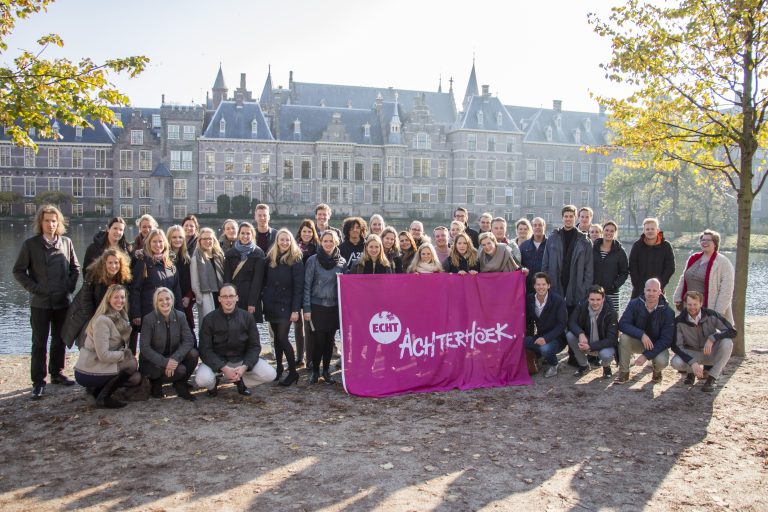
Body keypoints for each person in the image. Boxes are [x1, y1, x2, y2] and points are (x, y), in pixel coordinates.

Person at [14, 204, 81, 399]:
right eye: (47, 221)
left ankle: (57, 373)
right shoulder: (30, 245)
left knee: (59, 340)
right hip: (40, 303)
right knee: (39, 343)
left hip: (62, 301)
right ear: (40, 222)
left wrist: (69, 287)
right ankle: (38, 381)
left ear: (58, 223)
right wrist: (36, 289)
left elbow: (75, 268)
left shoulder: (66, 243)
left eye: (54, 221)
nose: (51, 224)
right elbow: (18, 271)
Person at [196, 284, 277, 396]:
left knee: (271, 374)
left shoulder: (247, 317)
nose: (228, 300)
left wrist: (245, 366)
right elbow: (205, 349)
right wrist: (223, 368)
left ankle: (242, 381)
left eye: (231, 296)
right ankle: (213, 384)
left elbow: (255, 346)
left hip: (241, 359)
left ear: (237, 298)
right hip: (217, 360)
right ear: (219, 298)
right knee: (202, 380)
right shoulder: (209, 319)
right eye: (224, 296)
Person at [74, 284, 140, 408]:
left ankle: (97, 392)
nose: (120, 301)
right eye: (116, 297)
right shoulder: (102, 321)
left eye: (122, 297)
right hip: (89, 368)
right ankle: (103, 398)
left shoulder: (121, 317)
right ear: (108, 299)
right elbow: (103, 355)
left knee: (135, 378)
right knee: (131, 364)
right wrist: (123, 354)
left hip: (103, 365)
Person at [62, 249, 132, 350]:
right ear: (104, 263)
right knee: (88, 344)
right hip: (90, 314)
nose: (113, 266)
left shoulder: (123, 278)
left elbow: (123, 301)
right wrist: (96, 321)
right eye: (110, 263)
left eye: (116, 263)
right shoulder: (93, 275)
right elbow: (86, 301)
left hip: (112, 315)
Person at [139, 287, 198, 401]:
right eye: (160, 300)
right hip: (153, 362)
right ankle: (156, 383)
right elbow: (144, 348)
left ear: (172, 300)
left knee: (193, 354)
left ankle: (180, 384)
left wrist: (175, 359)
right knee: (174, 370)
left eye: (167, 299)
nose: (165, 302)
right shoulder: (148, 319)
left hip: (173, 357)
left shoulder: (180, 316)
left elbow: (189, 340)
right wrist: (165, 362)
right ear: (156, 302)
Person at [263, 229, 305, 386]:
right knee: (276, 339)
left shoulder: (296, 259)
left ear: (291, 241)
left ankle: (293, 372)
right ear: (277, 241)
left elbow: (298, 287)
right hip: (271, 303)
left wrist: (295, 310)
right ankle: (279, 368)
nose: (285, 242)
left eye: (288, 240)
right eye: (282, 239)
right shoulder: (270, 258)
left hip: (286, 305)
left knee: (282, 338)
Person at [671, 291, 736, 392]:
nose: (692, 307)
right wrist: (692, 362)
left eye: (695, 304)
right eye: (689, 304)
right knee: (676, 362)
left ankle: (712, 378)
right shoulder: (679, 321)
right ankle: (690, 372)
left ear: (701, 304)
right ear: (685, 304)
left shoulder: (711, 315)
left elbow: (732, 331)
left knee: (728, 342)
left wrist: (713, 338)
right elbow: (676, 346)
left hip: (709, 352)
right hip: (693, 353)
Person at [303, 231, 346, 384]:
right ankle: (315, 371)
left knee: (330, 341)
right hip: (317, 306)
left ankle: (326, 371)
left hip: (333, 307)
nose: (328, 244)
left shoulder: (342, 262)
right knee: (318, 341)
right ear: (321, 242)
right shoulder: (313, 260)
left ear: (336, 242)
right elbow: (307, 285)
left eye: (331, 241)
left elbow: (345, 287)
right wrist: (306, 308)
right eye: (325, 241)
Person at [617, 278, 675, 384]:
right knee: (624, 337)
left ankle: (657, 372)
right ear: (644, 290)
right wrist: (641, 335)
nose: (651, 293)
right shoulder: (634, 304)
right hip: (639, 342)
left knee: (661, 362)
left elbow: (666, 340)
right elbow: (622, 324)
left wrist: (645, 356)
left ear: (660, 292)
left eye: (654, 290)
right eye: (648, 290)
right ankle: (624, 373)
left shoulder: (668, 312)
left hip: (657, 345)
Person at [673, 229, 735, 323]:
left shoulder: (723, 262)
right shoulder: (693, 258)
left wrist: (716, 313)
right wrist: (678, 297)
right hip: (689, 306)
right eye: (702, 240)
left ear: (715, 243)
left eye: (708, 240)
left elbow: (726, 290)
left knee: (708, 336)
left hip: (709, 309)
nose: (704, 242)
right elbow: (683, 278)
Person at [541, 205, 594, 310]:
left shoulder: (585, 241)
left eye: (571, 216)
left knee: (573, 319)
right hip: (555, 283)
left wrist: (584, 288)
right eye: (566, 216)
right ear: (562, 218)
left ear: (575, 218)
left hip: (576, 285)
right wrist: (546, 284)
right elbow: (545, 264)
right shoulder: (553, 238)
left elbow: (589, 269)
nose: (568, 219)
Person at [130, 229, 182, 334]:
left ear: (165, 244)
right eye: (154, 241)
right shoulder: (143, 263)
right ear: (149, 244)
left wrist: (180, 313)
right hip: (149, 313)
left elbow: (176, 291)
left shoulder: (170, 265)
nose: (158, 245)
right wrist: (136, 313)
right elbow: (135, 290)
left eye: (160, 241)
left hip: (168, 313)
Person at [566, 285, 618, 378]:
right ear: (588, 299)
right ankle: (584, 365)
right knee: (570, 335)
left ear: (603, 299)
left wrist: (590, 346)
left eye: (598, 299)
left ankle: (606, 367)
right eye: (592, 299)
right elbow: (571, 322)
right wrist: (580, 334)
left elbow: (612, 339)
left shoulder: (611, 312)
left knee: (606, 355)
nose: (595, 303)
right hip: (587, 339)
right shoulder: (581, 306)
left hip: (603, 344)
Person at [524, 273, 568, 378]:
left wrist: (546, 338)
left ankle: (553, 365)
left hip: (557, 338)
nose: (541, 287)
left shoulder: (558, 300)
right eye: (538, 284)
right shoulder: (530, 299)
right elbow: (528, 320)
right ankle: (538, 356)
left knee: (545, 349)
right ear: (534, 286)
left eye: (543, 284)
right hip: (539, 335)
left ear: (549, 285)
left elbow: (562, 324)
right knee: (520, 342)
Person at [223, 222, 266, 323]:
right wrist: (228, 298)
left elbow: (257, 281)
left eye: (248, 233)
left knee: (250, 330)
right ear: (238, 235)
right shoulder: (230, 253)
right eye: (242, 233)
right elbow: (227, 279)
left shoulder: (258, 253)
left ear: (252, 235)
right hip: (234, 296)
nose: (245, 236)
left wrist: (252, 303)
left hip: (250, 296)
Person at [628, 217, 675, 299]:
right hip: (639, 290)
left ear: (657, 230)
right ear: (644, 231)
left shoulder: (666, 246)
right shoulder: (637, 246)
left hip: (658, 290)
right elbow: (632, 267)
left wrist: (658, 285)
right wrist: (639, 286)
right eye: (647, 229)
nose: (650, 231)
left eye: (652, 229)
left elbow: (670, 268)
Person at [294, 219, 319, 366]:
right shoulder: (294, 248)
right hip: (297, 289)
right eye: (304, 231)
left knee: (309, 325)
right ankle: (299, 356)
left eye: (309, 231)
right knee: (298, 324)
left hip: (311, 290)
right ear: (300, 232)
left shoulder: (317, 249)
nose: (307, 234)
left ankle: (310, 358)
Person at [593, 221, 629, 314]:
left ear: (615, 233)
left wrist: (615, 285)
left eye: (612, 231)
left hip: (611, 292)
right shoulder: (593, 248)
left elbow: (624, 272)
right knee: (593, 317)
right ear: (602, 231)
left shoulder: (620, 252)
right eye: (607, 230)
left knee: (611, 318)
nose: (609, 233)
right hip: (594, 292)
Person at [167, 225, 196, 338]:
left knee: (188, 335)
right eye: (174, 237)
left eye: (180, 237)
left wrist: (189, 296)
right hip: (169, 301)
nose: (177, 240)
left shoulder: (186, 259)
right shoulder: (165, 259)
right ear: (169, 238)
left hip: (184, 301)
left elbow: (191, 280)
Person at [190, 227, 225, 320]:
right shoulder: (196, 258)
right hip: (207, 296)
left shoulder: (219, 256)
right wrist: (200, 298)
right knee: (208, 323)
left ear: (214, 240)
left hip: (221, 295)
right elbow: (194, 282)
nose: (207, 241)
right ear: (200, 241)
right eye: (204, 239)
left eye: (210, 238)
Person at [520, 217, 547, 294]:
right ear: (532, 227)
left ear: (544, 227)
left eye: (540, 225)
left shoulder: (550, 245)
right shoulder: (524, 246)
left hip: (544, 286)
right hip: (528, 286)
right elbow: (519, 264)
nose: (537, 227)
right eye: (535, 225)